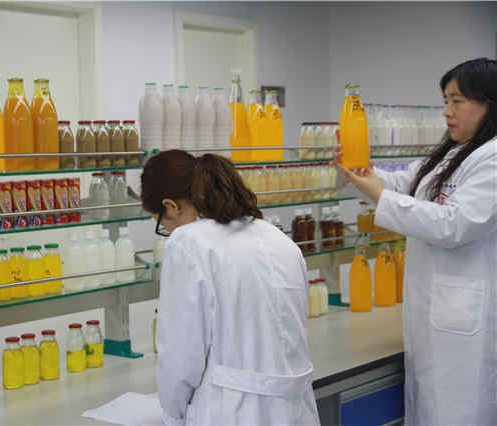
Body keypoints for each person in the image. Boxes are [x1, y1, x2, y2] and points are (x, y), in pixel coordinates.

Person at [334, 58, 497, 425]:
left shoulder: (492, 158)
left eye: (457, 101)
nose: (446, 111)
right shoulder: (454, 153)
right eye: (445, 101)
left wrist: (380, 194)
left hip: (465, 326)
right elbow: (403, 186)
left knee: (458, 413)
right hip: (437, 316)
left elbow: (454, 225)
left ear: (489, 104)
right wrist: (359, 171)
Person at [141, 150, 320, 426]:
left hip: (233, 413)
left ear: (171, 206)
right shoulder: (277, 237)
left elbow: (181, 356)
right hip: (297, 412)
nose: (168, 230)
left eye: (162, 223)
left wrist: (173, 415)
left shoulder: (188, 242)